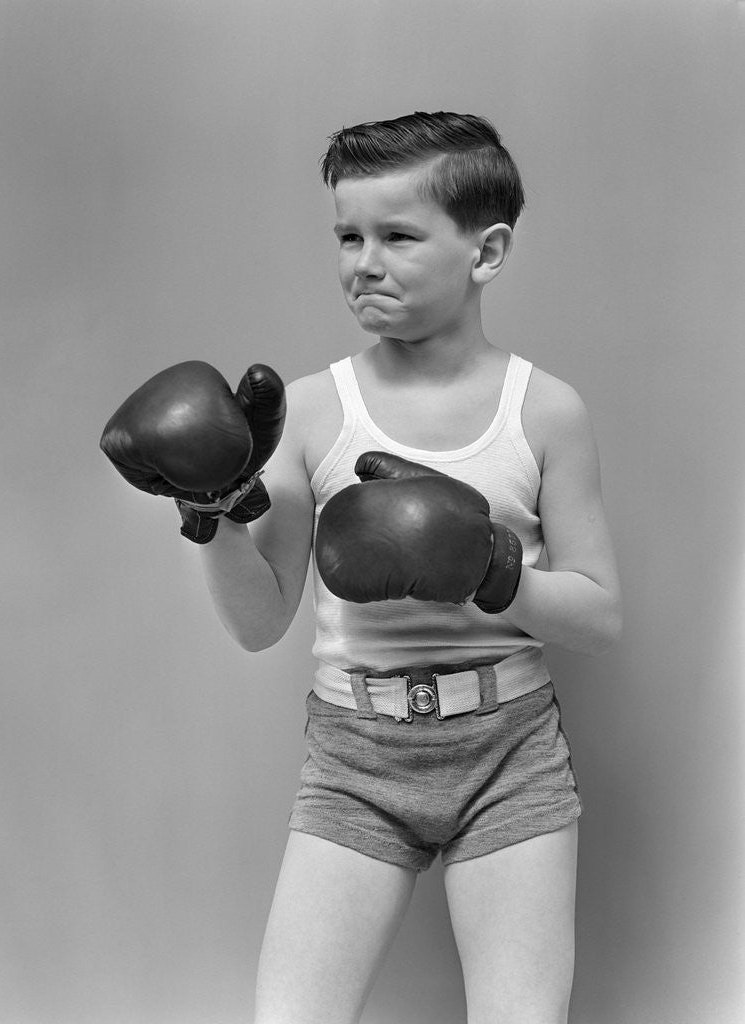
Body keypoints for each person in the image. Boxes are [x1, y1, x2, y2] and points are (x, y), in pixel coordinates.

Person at [101, 111, 622, 1024]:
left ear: (486, 251)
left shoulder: (543, 410)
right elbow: (263, 623)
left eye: (398, 236)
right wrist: (212, 513)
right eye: (348, 235)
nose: (363, 262)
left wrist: (490, 570)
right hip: (354, 758)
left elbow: (598, 616)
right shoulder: (308, 412)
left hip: (508, 751)